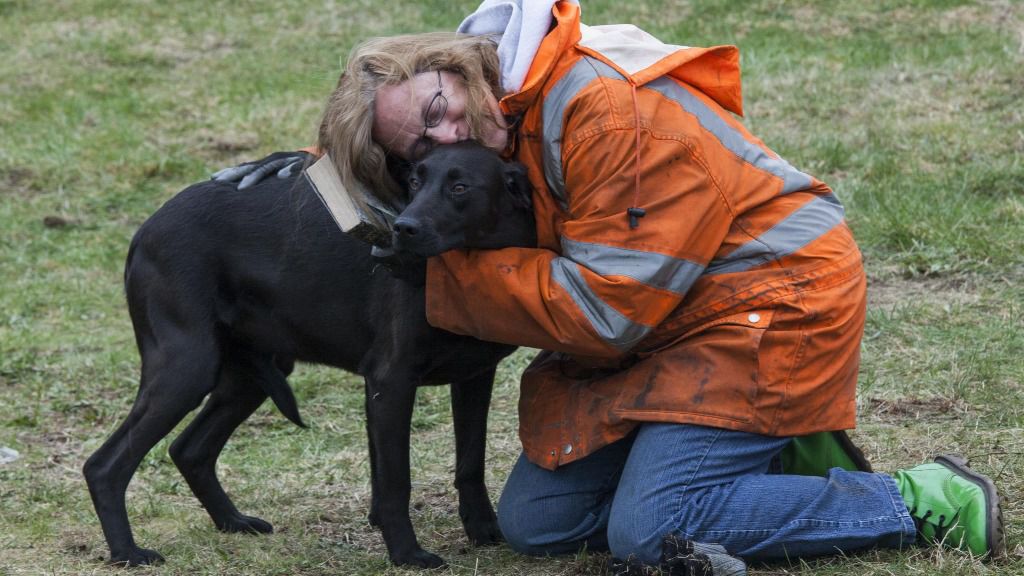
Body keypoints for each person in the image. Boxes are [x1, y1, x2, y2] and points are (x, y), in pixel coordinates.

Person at [216, 0, 1005, 571]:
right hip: (663, 320)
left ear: (450, 65)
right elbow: (448, 183)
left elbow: (601, 312)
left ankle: (917, 498)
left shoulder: (597, 110)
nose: (447, 136)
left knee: (654, 527)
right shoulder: (508, 112)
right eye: (419, 145)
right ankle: (737, 471)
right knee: (538, 523)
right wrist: (318, 176)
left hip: (768, 307)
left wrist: (443, 281)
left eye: (438, 108)